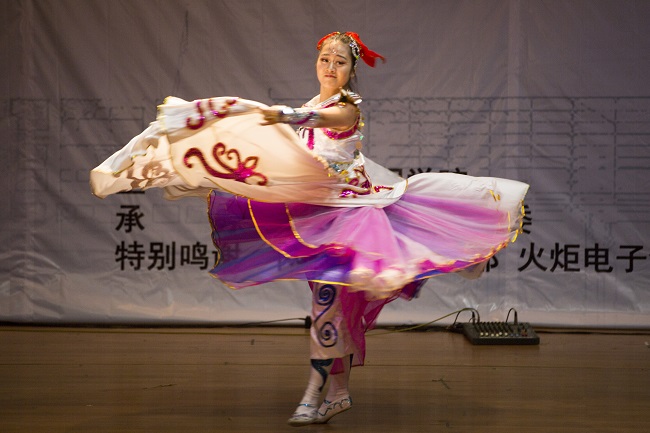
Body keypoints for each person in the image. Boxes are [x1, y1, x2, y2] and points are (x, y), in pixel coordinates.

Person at [90, 31, 528, 427]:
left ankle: (314, 393)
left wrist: (283, 116)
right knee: (335, 306)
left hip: (352, 217)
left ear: (351, 71)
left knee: (328, 304)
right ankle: (337, 392)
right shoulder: (312, 105)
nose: (330, 66)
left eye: (340, 61)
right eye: (325, 59)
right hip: (318, 215)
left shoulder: (344, 108)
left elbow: (318, 122)